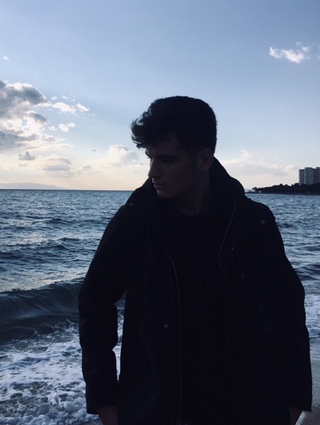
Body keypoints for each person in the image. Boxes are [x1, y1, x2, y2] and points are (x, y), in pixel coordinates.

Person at [78, 96, 312, 425]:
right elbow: (94, 302)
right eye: (150, 158)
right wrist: (104, 400)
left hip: (245, 409)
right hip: (157, 411)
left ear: (203, 159)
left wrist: (294, 397)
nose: (153, 171)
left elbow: (287, 305)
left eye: (167, 160)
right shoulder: (135, 222)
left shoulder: (252, 222)